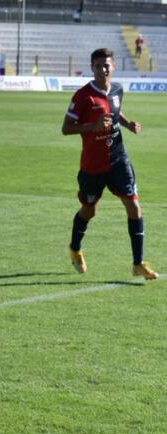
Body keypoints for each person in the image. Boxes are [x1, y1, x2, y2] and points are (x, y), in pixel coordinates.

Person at [62, 48, 158, 280]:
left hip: (118, 159)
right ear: (92, 68)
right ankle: (75, 249)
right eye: (98, 66)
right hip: (93, 166)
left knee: (134, 207)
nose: (103, 69)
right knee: (89, 210)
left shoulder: (117, 89)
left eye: (107, 65)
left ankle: (138, 263)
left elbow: (115, 111)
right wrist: (91, 127)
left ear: (113, 66)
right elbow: (66, 128)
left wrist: (127, 123)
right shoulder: (83, 96)